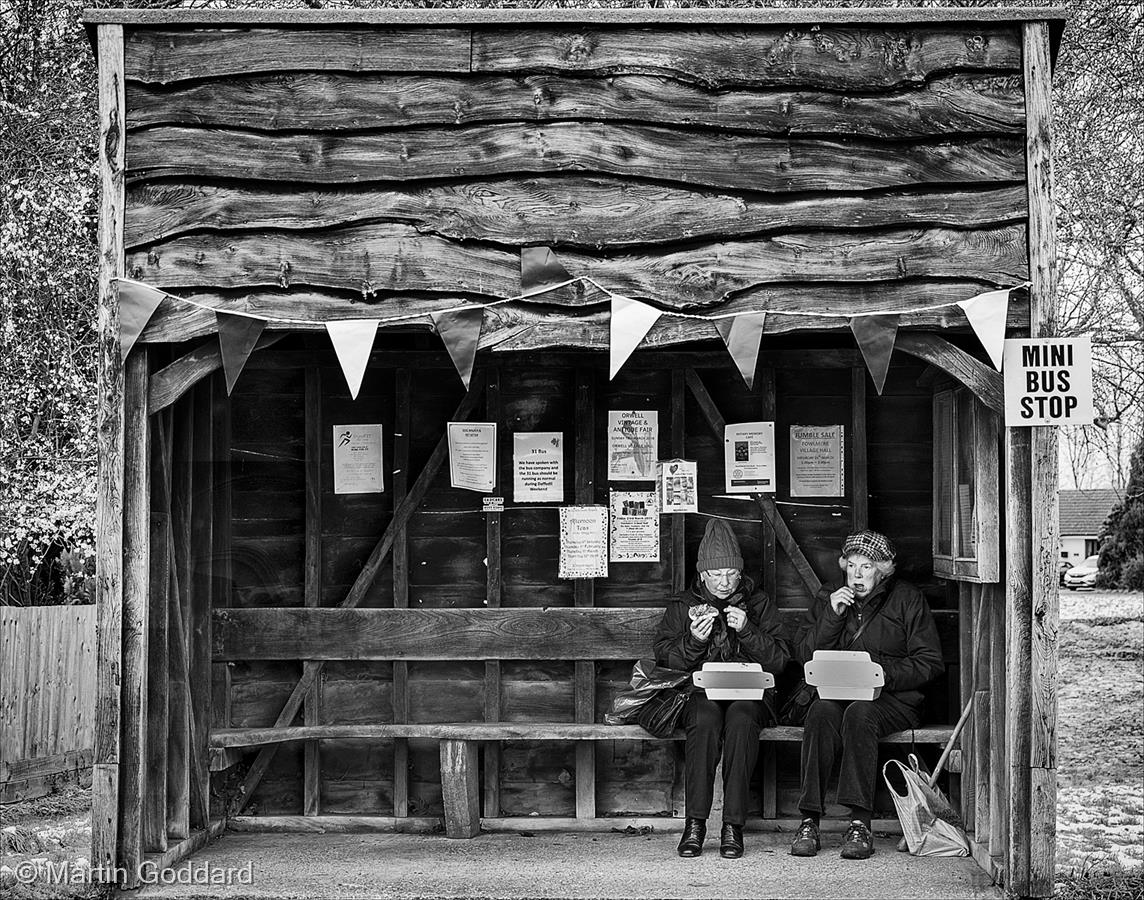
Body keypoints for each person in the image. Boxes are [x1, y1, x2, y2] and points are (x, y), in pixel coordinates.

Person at [789, 529, 945, 861]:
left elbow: (930, 662)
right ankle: (808, 820)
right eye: (852, 566)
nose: (858, 575)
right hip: (835, 693)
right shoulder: (828, 597)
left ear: (884, 569)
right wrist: (831, 616)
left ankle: (860, 823)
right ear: (844, 566)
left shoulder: (906, 599)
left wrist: (884, 674)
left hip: (893, 699)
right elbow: (804, 654)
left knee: (860, 714)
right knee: (819, 713)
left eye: (868, 567)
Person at [653, 518, 789, 859]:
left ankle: (733, 826)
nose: (725, 582)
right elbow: (666, 659)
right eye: (717, 575)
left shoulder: (759, 605)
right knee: (705, 721)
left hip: (751, 696)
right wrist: (694, 639)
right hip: (699, 694)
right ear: (702, 575)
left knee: (742, 722)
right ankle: (695, 824)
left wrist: (748, 632)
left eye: (731, 573)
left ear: (740, 573)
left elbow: (781, 661)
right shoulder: (683, 607)